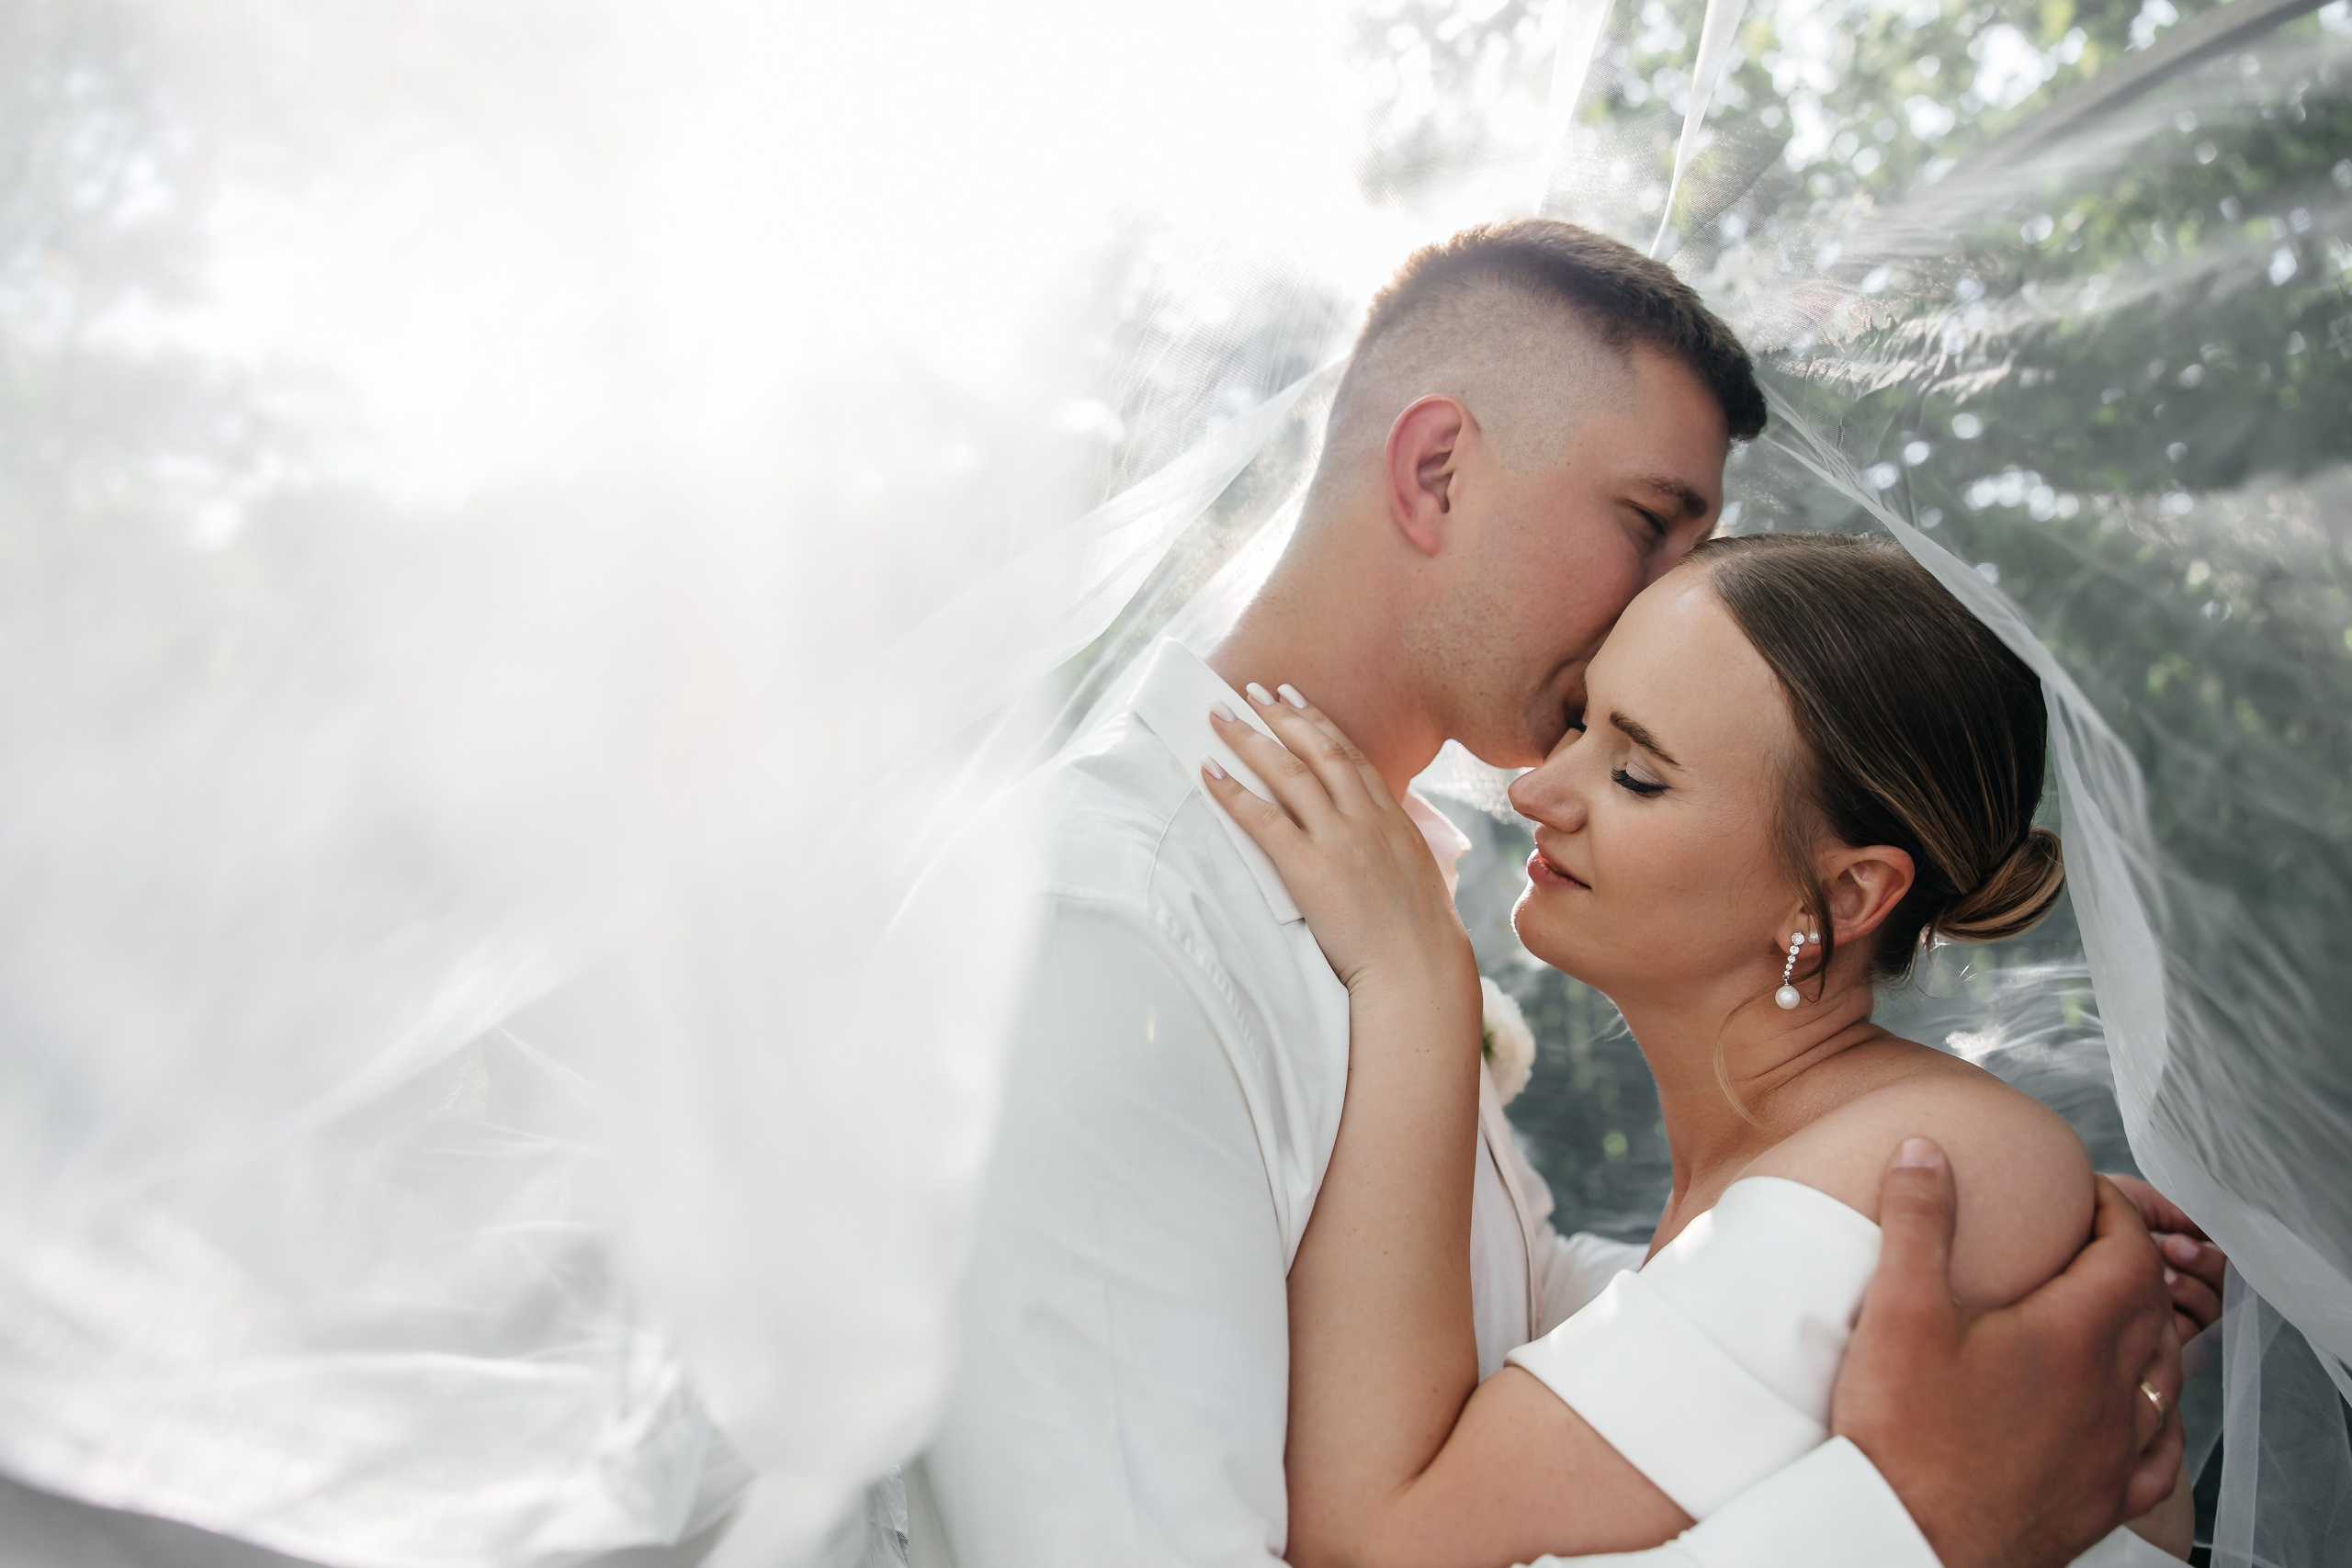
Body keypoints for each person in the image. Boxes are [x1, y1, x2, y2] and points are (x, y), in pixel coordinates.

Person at [921, 220, 2224, 1568]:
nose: (1660, 610)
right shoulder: (1107, 925)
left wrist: (1929, 1294)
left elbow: (1518, 1328)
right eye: (1649, 526)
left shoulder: (1386, 901)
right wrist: (1921, 1518)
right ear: (1434, 472)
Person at [1204, 532, 2199, 1566]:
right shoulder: (1813, 1167)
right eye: (1580, 721)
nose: (1534, 791)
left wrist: (1414, 985)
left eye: (1636, 774)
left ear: (1847, 894)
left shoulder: (1918, 1177)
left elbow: (1378, 1547)